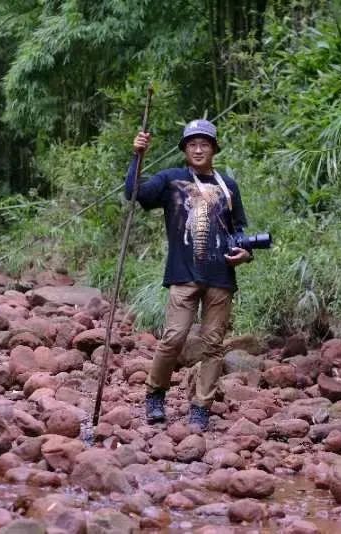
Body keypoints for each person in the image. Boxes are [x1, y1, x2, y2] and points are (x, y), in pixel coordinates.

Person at [125, 119, 253, 431]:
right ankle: (155, 394)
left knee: (212, 344)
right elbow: (134, 193)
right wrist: (137, 156)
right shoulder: (171, 179)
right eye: (192, 144)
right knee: (173, 338)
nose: (198, 149)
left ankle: (201, 408)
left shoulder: (228, 185)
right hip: (183, 274)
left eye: (204, 144)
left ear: (213, 149)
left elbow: (239, 230)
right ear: (184, 149)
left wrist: (246, 253)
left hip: (221, 277)